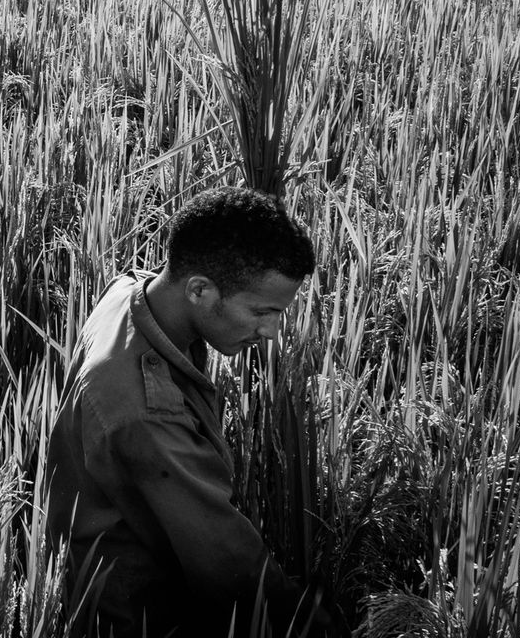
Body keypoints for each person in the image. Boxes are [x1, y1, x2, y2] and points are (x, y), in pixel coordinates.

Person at [45, 186, 333, 638]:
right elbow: (226, 563)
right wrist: (316, 627)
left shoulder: (132, 294)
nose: (272, 331)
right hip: (138, 617)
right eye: (263, 311)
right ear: (199, 289)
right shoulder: (144, 412)